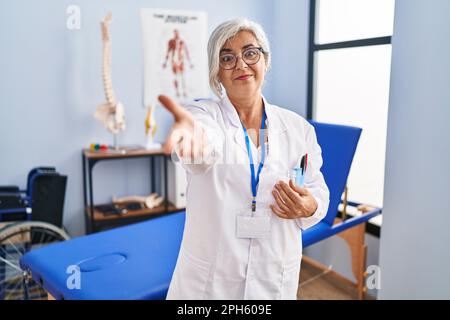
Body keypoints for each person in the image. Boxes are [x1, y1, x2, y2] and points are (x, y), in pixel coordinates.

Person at [158, 18, 329, 300]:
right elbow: (203, 144)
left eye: (250, 53)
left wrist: (310, 205)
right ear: (217, 73)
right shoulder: (204, 116)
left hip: (273, 275)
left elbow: (316, 189)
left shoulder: (299, 129)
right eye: (227, 58)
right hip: (212, 282)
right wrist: (194, 142)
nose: (241, 64)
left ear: (265, 60)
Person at [162, 29, 194, 98]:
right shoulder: (171, 42)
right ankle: (177, 92)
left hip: (181, 60)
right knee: (175, 77)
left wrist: (190, 63)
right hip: (174, 61)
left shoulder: (182, 42)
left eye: (177, 33)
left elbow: (186, 52)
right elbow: (168, 51)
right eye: (175, 33)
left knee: (183, 77)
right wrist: (165, 62)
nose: (176, 34)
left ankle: (184, 91)